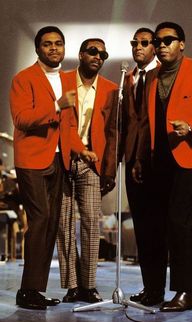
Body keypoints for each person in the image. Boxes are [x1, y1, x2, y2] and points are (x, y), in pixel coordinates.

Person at [132, 21, 192, 311]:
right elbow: (146, 123)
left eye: (169, 40)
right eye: (158, 41)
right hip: (160, 161)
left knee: (177, 220)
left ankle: (185, 291)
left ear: (182, 44)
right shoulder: (151, 77)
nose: (161, 45)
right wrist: (139, 157)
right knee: (168, 224)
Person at [10, 26, 94, 310]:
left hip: (58, 160)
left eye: (59, 44)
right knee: (41, 220)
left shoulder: (67, 80)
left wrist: (81, 150)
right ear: (38, 49)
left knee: (51, 223)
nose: (54, 49)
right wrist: (56, 106)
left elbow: (69, 126)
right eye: (48, 44)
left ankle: (35, 289)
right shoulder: (24, 78)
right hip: (32, 159)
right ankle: (27, 290)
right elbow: (21, 119)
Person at [57, 38, 118, 303]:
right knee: (64, 223)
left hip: (92, 164)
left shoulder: (111, 89)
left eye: (102, 54)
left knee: (92, 223)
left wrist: (109, 169)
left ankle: (89, 285)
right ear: (81, 54)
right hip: (62, 159)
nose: (98, 57)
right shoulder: (62, 81)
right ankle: (72, 285)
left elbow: (114, 133)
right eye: (93, 51)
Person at [120, 27, 160, 306]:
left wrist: (143, 158)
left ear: (154, 47)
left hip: (156, 161)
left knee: (158, 229)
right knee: (143, 228)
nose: (138, 47)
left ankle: (159, 290)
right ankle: (150, 289)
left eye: (144, 43)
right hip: (132, 160)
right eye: (135, 43)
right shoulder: (130, 77)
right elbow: (130, 122)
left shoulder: (163, 74)